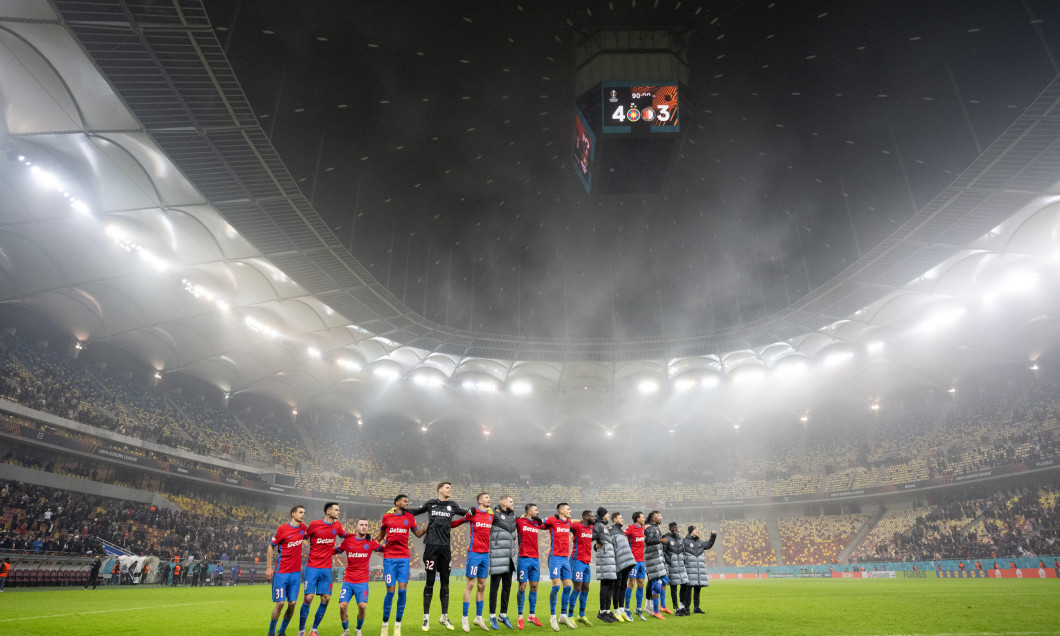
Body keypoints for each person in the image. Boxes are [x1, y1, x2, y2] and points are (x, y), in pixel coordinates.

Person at [408, 481, 467, 631]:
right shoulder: (431, 503)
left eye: (450, 488)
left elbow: (467, 514)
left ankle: (444, 617)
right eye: (447, 488)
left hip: (445, 549)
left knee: (445, 583)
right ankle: (426, 618)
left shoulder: (453, 505)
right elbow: (413, 512)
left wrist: (481, 511)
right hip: (431, 548)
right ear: (440, 490)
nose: (450, 490)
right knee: (430, 582)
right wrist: (398, 509)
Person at [377, 494, 428, 636]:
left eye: (407, 501)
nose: (407, 503)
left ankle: (397, 625)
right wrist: (367, 543)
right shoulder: (387, 517)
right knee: (390, 592)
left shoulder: (409, 517)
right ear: (397, 502)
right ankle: (385, 625)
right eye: (405, 501)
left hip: (404, 559)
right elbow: (380, 537)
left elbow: (418, 534)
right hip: (389, 559)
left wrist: (429, 525)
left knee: (402, 591)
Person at [301, 502, 349, 636]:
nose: (339, 512)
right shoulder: (315, 524)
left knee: (326, 598)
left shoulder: (337, 526)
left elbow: (348, 537)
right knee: (309, 598)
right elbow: (302, 536)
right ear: (328, 512)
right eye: (336, 510)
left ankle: (314, 630)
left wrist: (340, 549)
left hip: (327, 568)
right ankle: (301, 631)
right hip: (312, 566)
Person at [451, 492, 493, 632]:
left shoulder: (491, 515)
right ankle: (464, 618)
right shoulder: (473, 513)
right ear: (480, 501)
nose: (489, 499)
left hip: (485, 554)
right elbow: (459, 522)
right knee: (470, 584)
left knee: (482, 586)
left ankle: (478, 618)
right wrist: (446, 525)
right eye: (487, 497)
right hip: (474, 553)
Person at [336, 518, 384, 636]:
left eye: (366, 525)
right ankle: (346, 630)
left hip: (362, 581)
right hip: (348, 580)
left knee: (362, 606)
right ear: (356, 527)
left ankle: (358, 629)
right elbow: (337, 550)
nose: (364, 527)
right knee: (343, 605)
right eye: (361, 525)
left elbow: (384, 549)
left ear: (368, 528)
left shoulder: (371, 542)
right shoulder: (348, 541)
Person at [267, 504, 309, 636]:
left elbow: (315, 535)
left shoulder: (303, 528)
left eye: (304, 512)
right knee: (280, 603)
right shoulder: (282, 529)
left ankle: (282, 632)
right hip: (281, 572)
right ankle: (271, 632)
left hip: (296, 574)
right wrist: (269, 568)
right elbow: (270, 547)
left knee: (292, 603)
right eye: (300, 512)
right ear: (293, 514)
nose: (303, 514)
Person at [543, 502, 576, 631]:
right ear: (561, 511)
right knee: (556, 587)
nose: (570, 511)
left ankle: (563, 615)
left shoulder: (569, 522)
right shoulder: (552, 520)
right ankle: (552, 616)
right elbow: (540, 523)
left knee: (568, 587)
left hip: (565, 559)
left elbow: (575, 521)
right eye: (568, 509)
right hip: (555, 557)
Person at [487, 495, 517, 629]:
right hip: (498, 557)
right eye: (511, 501)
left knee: (507, 587)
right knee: (494, 588)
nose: (513, 503)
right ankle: (492, 616)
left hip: (510, 558)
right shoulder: (494, 515)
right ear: (503, 503)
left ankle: (503, 615)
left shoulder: (513, 517)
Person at [515, 503, 545, 629]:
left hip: (535, 559)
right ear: (528, 511)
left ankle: (531, 615)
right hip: (523, 558)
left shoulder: (538, 523)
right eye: (535, 510)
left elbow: (549, 524)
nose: (537, 512)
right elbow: (510, 518)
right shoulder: (520, 521)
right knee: (522, 586)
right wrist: (519, 517)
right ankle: (520, 617)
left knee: (534, 587)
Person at [569, 509, 595, 626]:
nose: (593, 518)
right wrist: (579, 520)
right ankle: (570, 616)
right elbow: (566, 522)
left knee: (586, 588)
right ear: (585, 517)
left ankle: (581, 615)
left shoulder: (591, 528)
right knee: (577, 587)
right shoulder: (577, 526)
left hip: (586, 562)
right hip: (577, 560)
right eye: (591, 516)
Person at [681, 526, 715, 614]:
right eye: (695, 530)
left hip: (698, 570)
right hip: (689, 569)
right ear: (691, 531)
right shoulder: (684, 541)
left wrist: (713, 536)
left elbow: (708, 545)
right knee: (688, 590)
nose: (697, 531)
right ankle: (687, 608)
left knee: (697, 589)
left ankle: (696, 608)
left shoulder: (700, 541)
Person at [591, 508, 617, 624]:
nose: (608, 515)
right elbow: (591, 536)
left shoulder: (603, 526)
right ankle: (602, 612)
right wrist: (596, 545)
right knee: (605, 585)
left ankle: (607, 611)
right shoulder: (598, 525)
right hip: (604, 558)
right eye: (607, 514)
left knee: (610, 585)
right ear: (602, 515)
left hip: (609, 559)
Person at [608, 513, 635, 622]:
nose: (622, 519)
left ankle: (621, 608)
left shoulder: (622, 532)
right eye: (620, 518)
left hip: (625, 563)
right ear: (614, 520)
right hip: (617, 563)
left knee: (623, 585)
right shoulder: (610, 530)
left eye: (622, 517)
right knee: (617, 586)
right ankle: (616, 610)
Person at [643, 510, 670, 619]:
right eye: (658, 515)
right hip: (652, 560)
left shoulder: (656, 528)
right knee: (657, 585)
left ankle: (662, 606)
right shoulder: (650, 529)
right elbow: (648, 540)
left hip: (658, 560)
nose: (661, 517)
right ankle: (655, 611)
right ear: (653, 518)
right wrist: (660, 540)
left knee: (664, 582)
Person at [623, 512, 647, 621]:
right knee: (631, 583)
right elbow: (622, 535)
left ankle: (638, 609)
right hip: (633, 561)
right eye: (643, 517)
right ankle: (627, 609)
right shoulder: (631, 529)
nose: (644, 518)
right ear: (637, 519)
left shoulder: (642, 528)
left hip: (642, 561)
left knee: (641, 584)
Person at [663, 522, 688, 615]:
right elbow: (663, 552)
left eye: (676, 527)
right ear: (670, 529)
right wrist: (669, 560)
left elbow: (684, 551)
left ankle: (682, 606)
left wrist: (684, 559)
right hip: (672, 566)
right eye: (673, 527)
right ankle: (676, 608)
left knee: (684, 584)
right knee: (674, 587)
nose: (675, 529)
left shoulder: (680, 539)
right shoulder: (667, 539)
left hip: (681, 566)